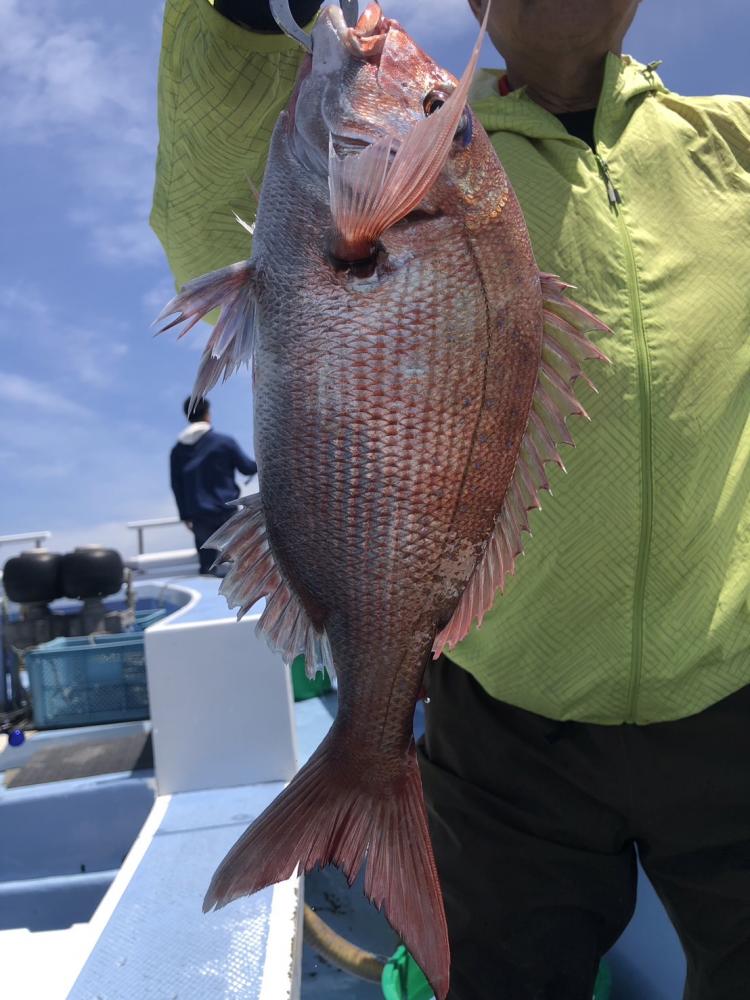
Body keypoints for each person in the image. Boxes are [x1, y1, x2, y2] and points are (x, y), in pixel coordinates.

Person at [151, 2, 750, 997]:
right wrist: (236, 18)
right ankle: (366, 771)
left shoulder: (733, 145)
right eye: (439, 112)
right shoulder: (451, 163)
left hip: (730, 692)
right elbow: (211, 220)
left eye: (440, 113)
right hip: (502, 720)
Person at [170, 396, 257, 575]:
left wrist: (185, 515)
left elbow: (176, 485)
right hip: (227, 513)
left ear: (187, 416)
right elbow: (247, 468)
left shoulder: (177, 451)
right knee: (238, 566)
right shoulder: (224, 442)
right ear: (207, 414)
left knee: (207, 569)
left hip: (198, 517)